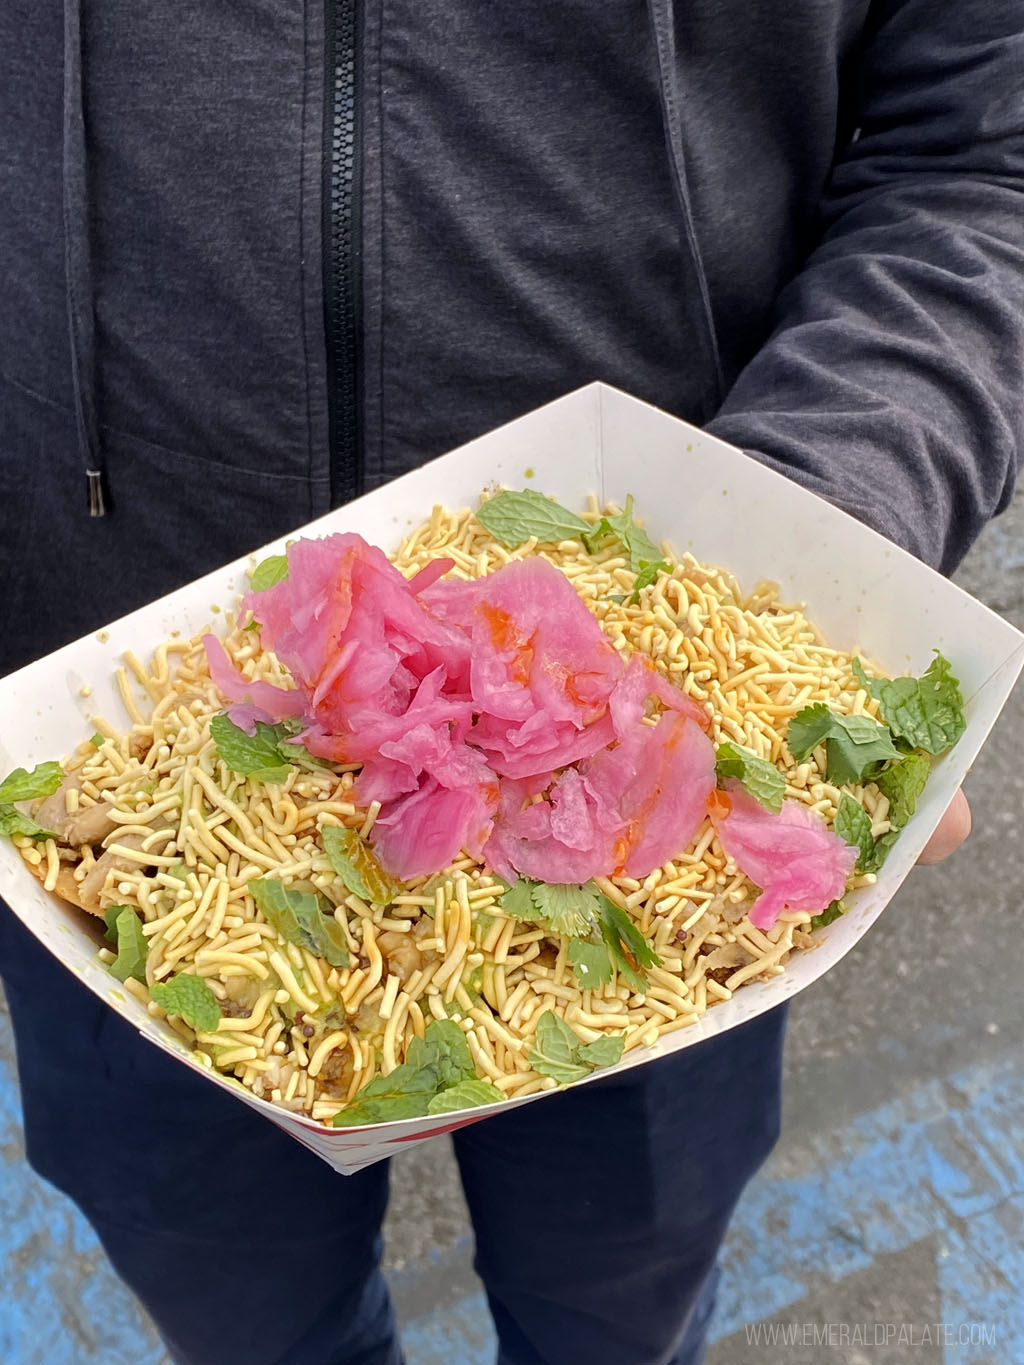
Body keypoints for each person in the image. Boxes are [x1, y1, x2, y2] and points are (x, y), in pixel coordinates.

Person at [0, 2, 1017, 1362]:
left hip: (659, 803)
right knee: (235, 1309)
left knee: (623, 1299)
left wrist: (821, 529)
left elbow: (979, 152)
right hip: (124, 783)